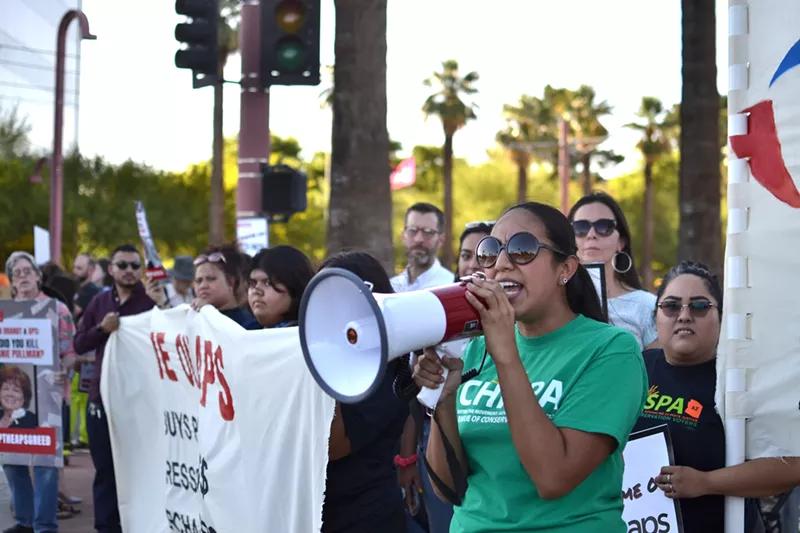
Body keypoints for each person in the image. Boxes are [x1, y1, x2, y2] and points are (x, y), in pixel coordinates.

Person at [413, 201, 648, 532]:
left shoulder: (611, 351)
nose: (503, 263)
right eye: (490, 251)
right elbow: (448, 489)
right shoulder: (477, 349)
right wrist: (444, 397)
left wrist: (506, 354)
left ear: (565, 269)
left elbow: (553, 478)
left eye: (522, 249)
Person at [634, 261, 800, 533]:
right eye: (671, 306)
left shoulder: (742, 380)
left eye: (699, 306)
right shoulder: (634, 369)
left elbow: (790, 467)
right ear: (656, 318)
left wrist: (706, 482)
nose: (684, 315)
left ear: (722, 319)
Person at [318, 251, 410, 533]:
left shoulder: (387, 368)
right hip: (324, 512)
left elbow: (334, 447)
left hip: (364, 516)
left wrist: (323, 369)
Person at [73, 243, 162, 533]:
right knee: (106, 471)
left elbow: (171, 338)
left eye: (135, 266)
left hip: (140, 401)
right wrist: (101, 329)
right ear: (111, 269)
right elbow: (79, 343)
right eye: (122, 265)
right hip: (102, 398)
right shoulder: (99, 303)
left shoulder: (150, 301)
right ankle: (106, 527)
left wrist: (162, 307)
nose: (129, 271)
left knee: (140, 469)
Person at [4, 251, 77, 533]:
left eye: (26, 271)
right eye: (16, 274)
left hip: (51, 395)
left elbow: (71, 353)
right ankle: (24, 521)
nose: (22, 277)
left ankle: (45, 526)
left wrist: (65, 370)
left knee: (46, 464)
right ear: (12, 282)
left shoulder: (58, 310)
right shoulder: (5, 314)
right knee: (12, 460)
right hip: (11, 397)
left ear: (38, 276)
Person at [568, 192, 658, 350]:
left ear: (621, 243)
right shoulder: (554, 305)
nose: (591, 235)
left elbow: (655, 371)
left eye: (604, 227)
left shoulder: (647, 306)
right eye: (580, 228)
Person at [187, 244, 259, 329]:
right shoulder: (191, 321)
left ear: (231, 282)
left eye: (211, 279)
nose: (203, 286)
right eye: (198, 281)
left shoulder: (249, 326)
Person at [391, 202, 454, 292]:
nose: (418, 239)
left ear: (441, 240)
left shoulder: (450, 286)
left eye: (427, 232)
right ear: (403, 236)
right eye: (412, 230)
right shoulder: (391, 288)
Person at [247, 246, 315, 328]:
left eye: (268, 283)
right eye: (252, 283)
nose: (256, 291)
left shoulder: (310, 336)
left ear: (295, 287)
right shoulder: (244, 332)